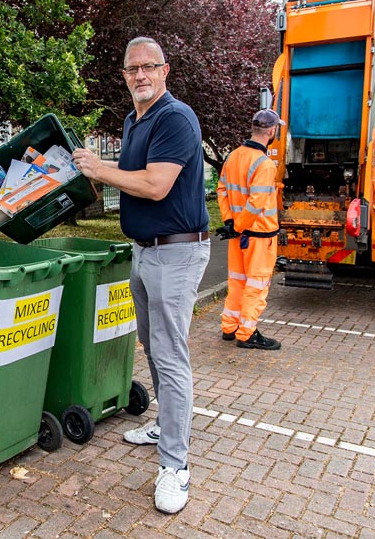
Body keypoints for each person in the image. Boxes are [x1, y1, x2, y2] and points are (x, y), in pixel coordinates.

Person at [72, 36, 210, 514]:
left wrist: (102, 172)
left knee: (171, 358)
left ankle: (176, 465)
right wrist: (91, 166)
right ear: (124, 76)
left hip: (176, 254)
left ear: (165, 70)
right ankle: (163, 427)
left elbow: (155, 184)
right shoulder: (135, 121)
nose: (141, 76)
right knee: (153, 347)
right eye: (133, 70)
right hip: (145, 252)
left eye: (149, 67)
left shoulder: (175, 117)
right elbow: (131, 170)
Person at [215, 109, 284, 350]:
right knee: (257, 285)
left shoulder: (233, 156)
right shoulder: (264, 165)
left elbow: (221, 189)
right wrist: (240, 226)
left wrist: (230, 223)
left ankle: (229, 327)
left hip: (239, 236)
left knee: (237, 283)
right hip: (259, 237)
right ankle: (246, 333)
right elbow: (257, 203)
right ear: (272, 131)